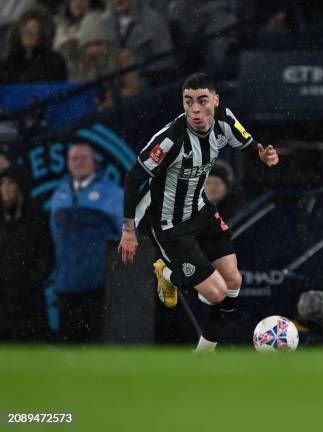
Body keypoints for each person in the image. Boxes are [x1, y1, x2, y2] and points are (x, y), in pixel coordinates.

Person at [118, 73, 279, 352]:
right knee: (216, 294)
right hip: (170, 226)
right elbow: (133, 179)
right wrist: (128, 230)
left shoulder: (225, 121)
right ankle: (166, 273)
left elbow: (248, 142)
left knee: (234, 282)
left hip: (202, 211)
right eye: (188, 101)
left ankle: (204, 354)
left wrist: (263, 155)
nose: (194, 109)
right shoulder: (169, 140)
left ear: (215, 101)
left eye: (202, 100)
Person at [49, 142, 123, 343]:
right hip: (67, 284)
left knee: (98, 343)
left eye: (84, 158)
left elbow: (127, 235)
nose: (79, 162)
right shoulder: (59, 195)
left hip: (100, 285)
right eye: (74, 158)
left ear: (94, 162)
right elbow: (56, 239)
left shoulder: (112, 194)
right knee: (69, 344)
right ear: (67, 163)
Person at [0, 166, 55, 342]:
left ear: (20, 187)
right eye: (2, 184)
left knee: (33, 354)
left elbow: (47, 257)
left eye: (10, 184)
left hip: (30, 302)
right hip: (3, 302)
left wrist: (28, 282)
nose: (5, 189)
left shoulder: (37, 218)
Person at [0, 7, 68, 84]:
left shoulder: (55, 61)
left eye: (34, 30)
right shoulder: (10, 60)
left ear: (44, 34)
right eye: (25, 29)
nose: (28, 34)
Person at [53, 0, 107, 80]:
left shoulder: (99, 22)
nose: (78, 2)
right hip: (62, 75)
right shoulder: (57, 23)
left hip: (90, 75)